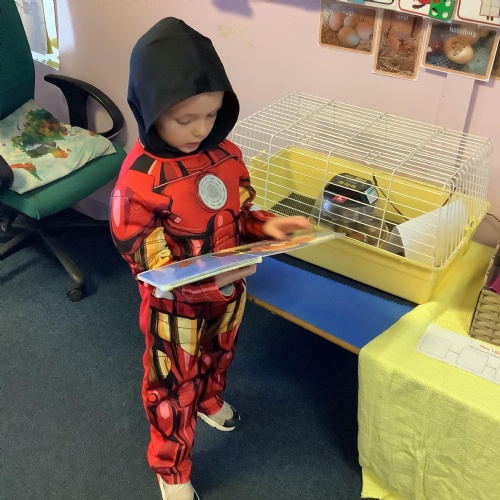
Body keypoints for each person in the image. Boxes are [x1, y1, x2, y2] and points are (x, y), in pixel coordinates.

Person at [109, 17, 309, 500]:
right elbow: (150, 264)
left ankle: (210, 398)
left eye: (212, 114)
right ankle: (172, 469)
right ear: (151, 108)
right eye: (185, 119)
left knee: (219, 356)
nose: (201, 129)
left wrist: (266, 225)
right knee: (170, 387)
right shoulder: (138, 180)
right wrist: (204, 283)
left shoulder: (226, 154)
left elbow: (239, 211)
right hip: (174, 310)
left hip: (229, 292)